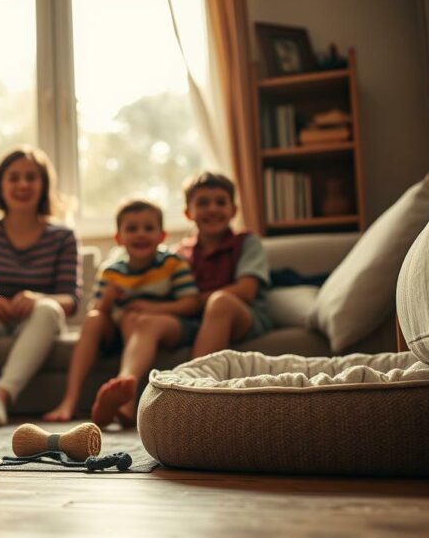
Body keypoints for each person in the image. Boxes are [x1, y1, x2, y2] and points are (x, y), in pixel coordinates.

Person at [45, 200, 201, 427]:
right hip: (123, 331)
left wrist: (151, 308)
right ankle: (70, 400)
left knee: (140, 319)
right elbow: (97, 311)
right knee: (94, 319)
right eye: (132, 229)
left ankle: (124, 391)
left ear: (161, 236)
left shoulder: (172, 263)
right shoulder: (111, 270)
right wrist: (107, 299)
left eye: (148, 228)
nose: (140, 234)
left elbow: (191, 304)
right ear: (118, 237)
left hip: (168, 325)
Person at [0, 146, 81, 427]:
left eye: (31, 177)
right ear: (0, 185)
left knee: (48, 307)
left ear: (44, 186)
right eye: (14, 177)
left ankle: (0, 397)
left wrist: (37, 297)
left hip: (38, 320)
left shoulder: (63, 236)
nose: (22, 185)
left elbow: (71, 299)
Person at [174, 172, 273, 358]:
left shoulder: (247, 242)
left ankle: (195, 384)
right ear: (188, 213)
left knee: (221, 301)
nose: (212, 209)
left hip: (245, 315)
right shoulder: (180, 253)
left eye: (220, 202)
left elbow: (246, 290)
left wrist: (195, 302)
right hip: (195, 319)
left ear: (233, 210)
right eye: (203, 203)